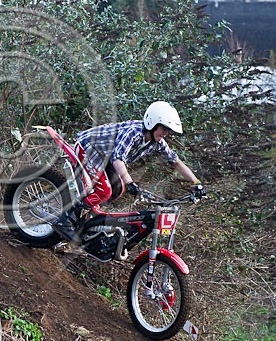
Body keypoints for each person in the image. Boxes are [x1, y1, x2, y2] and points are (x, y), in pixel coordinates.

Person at [52, 101, 206, 243]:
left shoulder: (156, 142)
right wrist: (130, 181)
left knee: (118, 189)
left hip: (105, 158)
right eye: (164, 129)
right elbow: (118, 158)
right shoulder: (134, 132)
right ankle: (65, 219)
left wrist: (196, 183)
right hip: (90, 149)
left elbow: (176, 162)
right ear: (152, 123)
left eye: (168, 131)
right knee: (104, 191)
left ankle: (84, 219)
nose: (165, 133)